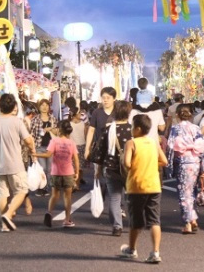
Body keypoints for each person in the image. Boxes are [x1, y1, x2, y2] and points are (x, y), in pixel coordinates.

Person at [0, 93, 35, 232]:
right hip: (15, 164)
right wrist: (33, 152)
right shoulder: (17, 122)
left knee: (2, 195)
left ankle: (4, 225)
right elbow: (28, 140)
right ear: (13, 107)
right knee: (22, 191)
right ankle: (8, 213)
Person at [120, 114, 168, 263]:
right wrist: (152, 164)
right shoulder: (154, 143)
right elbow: (164, 161)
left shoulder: (131, 143)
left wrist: (127, 160)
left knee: (135, 220)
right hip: (154, 186)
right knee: (154, 220)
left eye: (132, 127)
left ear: (138, 129)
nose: (131, 130)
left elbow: (127, 163)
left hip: (136, 186)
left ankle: (132, 249)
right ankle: (155, 252)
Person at [96, 100, 133, 237]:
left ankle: (117, 226)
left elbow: (100, 151)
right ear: (128, 112)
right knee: (131, 198)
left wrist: (98, 169)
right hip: (130, 168)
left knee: (115, 198)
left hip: (111, 167)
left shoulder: (108, 129)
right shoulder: (132, 129)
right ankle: (134, 223)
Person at [167, 103, 204, 234]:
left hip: (183, 161)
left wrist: (169, 166)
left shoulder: (175, 129)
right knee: (192, 189)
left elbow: (171, 146)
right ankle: (192, 218)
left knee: (184, 192)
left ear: (177, 115)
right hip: (195, 161)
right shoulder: (196, 128)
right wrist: (203, 167)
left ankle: (189, 221)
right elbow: (201, 147)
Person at [34, 120, 79, 228]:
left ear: (59, 130)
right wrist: (77, 172)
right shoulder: (71, 143)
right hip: (68, 173)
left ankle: (49, 213)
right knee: (67, 197)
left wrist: (34, 154)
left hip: (55, 172)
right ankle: (67, 220)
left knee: (55, 195)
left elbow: (47, 154)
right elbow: (76, 159)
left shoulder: (54, 141)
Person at [29, 99, 58, 196]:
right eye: (42, 105)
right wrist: (32, 150)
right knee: (42, 168)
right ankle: (41, 188)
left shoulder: (53, 119)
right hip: (39, 147)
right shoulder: (35, 119)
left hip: (51, 147)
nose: (44, 107)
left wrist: (51, 130)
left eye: (46, 105)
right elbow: (32, 135)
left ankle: (46, 187)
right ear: (39, 107)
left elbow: (58, 132)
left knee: (50, 169)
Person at [68, 105, 88, 189]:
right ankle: (75, 183)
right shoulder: (70, 124)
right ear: (75, 114)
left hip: (79, 146)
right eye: (79, 113)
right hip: (75, 147)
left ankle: (76, 183)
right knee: (75, 167)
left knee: (78, 167)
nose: (81, 114)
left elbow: (86, 135)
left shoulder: (82, 123)